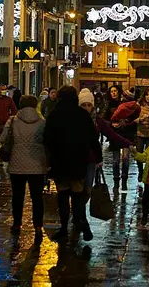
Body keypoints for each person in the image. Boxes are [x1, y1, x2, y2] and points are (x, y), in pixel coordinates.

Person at [44, 86, 102, 241]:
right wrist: (98, 156)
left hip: (60, 163)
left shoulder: (54, 115)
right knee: (78, 196)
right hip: (79, 163)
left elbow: (47, 139)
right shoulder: (82, 115)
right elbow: (93, 139)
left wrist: (51, 156)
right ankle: (80, 222)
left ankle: (64, 229)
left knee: (63, 196)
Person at [0, 95, 47, 241]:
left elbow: (3, 139)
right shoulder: (42, 122)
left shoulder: (12, 120)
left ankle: (17, 223)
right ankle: (38, 226)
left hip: (17, 165)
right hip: (37, 165)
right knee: (37, 197)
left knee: (18, 196)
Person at [103, 85, 131, 188]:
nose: (114, 93)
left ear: (118, 92)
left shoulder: (124, 103)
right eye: (112, 91)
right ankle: (116, 178)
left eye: (115, 91)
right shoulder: (108, 105)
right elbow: (104, 119)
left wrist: (125, 121)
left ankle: (124, 176)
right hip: (114, 135)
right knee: (115, 160)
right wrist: (111, 124)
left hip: (125, 133)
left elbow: (131, 115)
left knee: (126, 158)